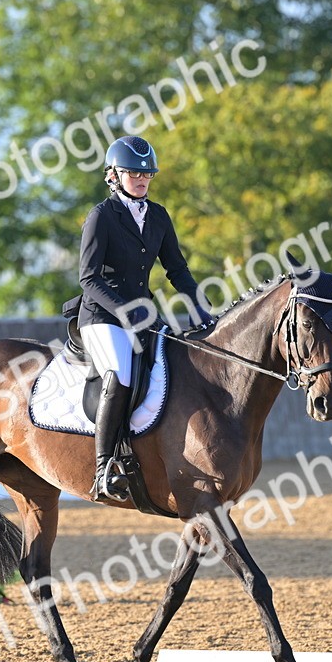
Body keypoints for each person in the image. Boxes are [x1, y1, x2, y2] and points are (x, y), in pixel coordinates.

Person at [77, 135, 213, 501]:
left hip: (143, 316)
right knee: (121, 372)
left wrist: (202, 309)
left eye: (147, 174)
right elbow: (88, 278)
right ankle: (104, 467)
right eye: (133, 173)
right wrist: (126, 310)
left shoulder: (158, 216)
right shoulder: (101, 216)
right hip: (103, 316)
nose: (141, 180)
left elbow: (178, 270)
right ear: (113, 175)